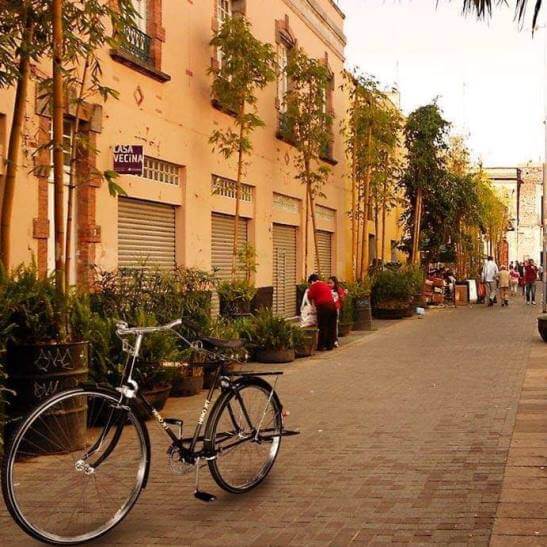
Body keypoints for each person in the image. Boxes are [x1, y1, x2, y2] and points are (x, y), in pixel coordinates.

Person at [307, 274, 337, 351]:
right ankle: (330, 346)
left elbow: (309, 297)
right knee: (331, 326)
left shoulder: (313, 286)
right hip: (333, 307)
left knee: (323, 326)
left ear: (312, 281)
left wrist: (312, 308)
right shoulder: (324, 284)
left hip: (324, 307)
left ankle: (321, 346)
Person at [328, 276, 347, 347]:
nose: (329, 284)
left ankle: (335, 340)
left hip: (335, 309)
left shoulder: (339, 289)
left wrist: (344, 295)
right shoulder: (327, 289)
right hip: (328, 309)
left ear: (335, 283)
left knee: (335, 324)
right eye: (328, 283)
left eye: (331, 283)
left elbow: (342, 299)